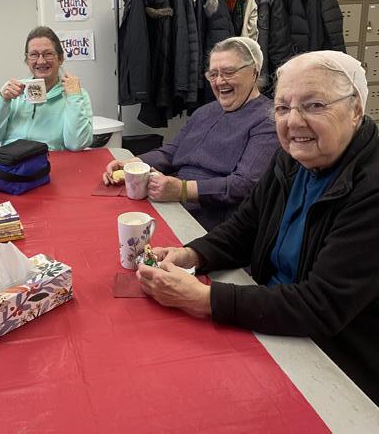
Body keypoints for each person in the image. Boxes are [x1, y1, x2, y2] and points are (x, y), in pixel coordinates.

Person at [137, 50, 379, 405]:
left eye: (314, 105)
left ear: (355, 108)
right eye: (282, 108)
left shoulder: (370, 188)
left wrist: (204, 299)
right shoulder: (291, 158)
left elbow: (321, 305)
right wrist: (192, 254)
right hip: (274, 319)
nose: (293, 121)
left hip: (335, 364)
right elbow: (244, 227)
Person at [104, 37, 279, 230]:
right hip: (174, 202)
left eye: (228, 72)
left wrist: (183, 190)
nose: (219, 81)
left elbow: (243, 185)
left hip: (216, 222)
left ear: (254, 72)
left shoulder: (268, 120)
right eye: (213, 74)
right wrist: (133, 163)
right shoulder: (205, 111)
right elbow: (171, 152)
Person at [0, 26, 93, 150]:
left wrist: (74, 97)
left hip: (49, 159)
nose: (41, 61)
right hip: (10, 159)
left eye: (48, 54)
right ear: (27, 60)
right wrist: (2, 99)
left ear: (60, 58)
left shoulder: (76, 94)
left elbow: (76, 144)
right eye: (34, 55)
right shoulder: (14, 92)